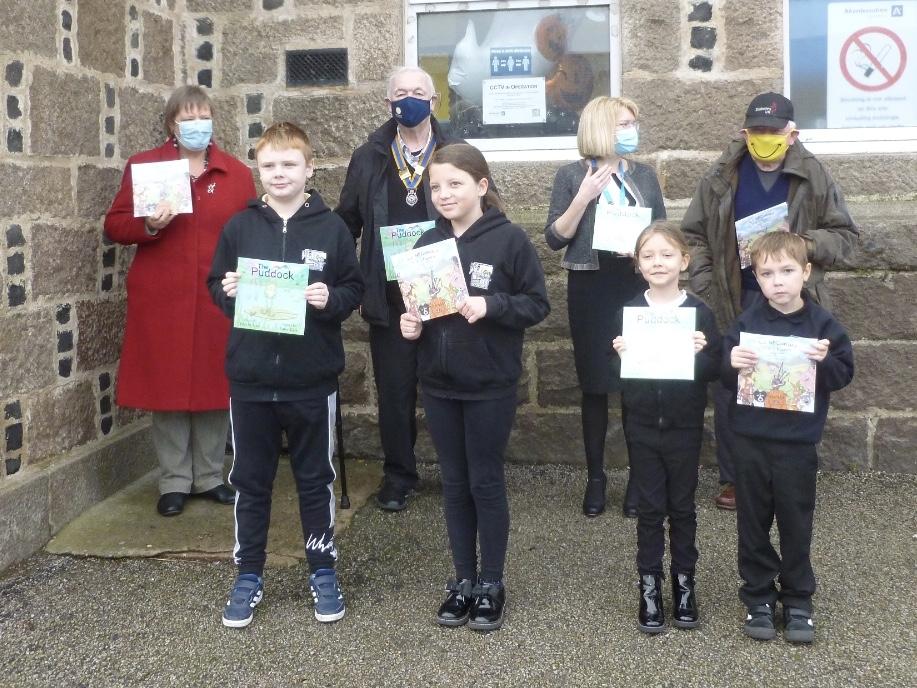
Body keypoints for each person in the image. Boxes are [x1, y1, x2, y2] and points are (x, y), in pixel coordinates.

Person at [207, 123, 364, 628]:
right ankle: (248, 574)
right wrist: (227, 291)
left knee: (315, 479)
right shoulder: (239, 226)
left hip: (310, 379)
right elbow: (214, 283)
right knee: (251, 481)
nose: (279, 174)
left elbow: (352, 288)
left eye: (289, 164)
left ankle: (322, 569)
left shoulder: (331, 228)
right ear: (259, 170)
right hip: (250, 378)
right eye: (269, 165)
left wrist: (329, 301)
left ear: (309, 169)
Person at [681, 92, 858, 511]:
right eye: (757, 131)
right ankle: (735, 479)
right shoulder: (721, 174)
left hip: (795, 299)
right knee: (733, 385)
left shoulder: (813, 174)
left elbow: (847, 238)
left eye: (774, 132)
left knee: (793, 378)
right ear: (745, 132)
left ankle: (789, 474)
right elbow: (693, 234)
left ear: (791, 134)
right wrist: (707, 285)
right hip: (736, 293)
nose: (765, 140)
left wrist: (803, 243)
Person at [400, 144, 549, 631]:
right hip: (439, 384)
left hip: (489, 384)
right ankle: (462, 579)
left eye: (455, 184)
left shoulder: (510, 241)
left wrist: (493, 306)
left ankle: (491, 582)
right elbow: (419, 308)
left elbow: (536, 304)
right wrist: (411, 326)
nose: (443, 194)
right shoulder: (425, 241)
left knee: (485, 481)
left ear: (482, 186)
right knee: (454, 482)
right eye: (436, 186)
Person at [104, 85, 256, 517]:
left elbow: (250, 229)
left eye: (203, 116)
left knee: (214, 384)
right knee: (167, 387)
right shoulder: (145, 167)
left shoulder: (236, 173)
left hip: (217, 294)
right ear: (172, 123)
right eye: (188, 118)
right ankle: (172, 480)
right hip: (162, 295)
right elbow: (114, 225)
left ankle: (208, 475)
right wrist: (147, 225)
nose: (197, 125)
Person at [336, 66, 464, 512]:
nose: (408, 99)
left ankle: (459, 473)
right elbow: (346, 222)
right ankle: (398, 475)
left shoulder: (457, 152)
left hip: (445, 291)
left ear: (434, 102)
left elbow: (481, 214)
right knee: (394, 392)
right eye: (399, 92)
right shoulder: (369, 155)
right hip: (390, 297)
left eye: (418, 92)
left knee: (453, 386)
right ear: (387, 102)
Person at [723, 232, 853, 643]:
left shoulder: (823, 325)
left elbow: (843, 374)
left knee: (796, 521)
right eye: (766, 273)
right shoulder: (746, 323)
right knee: (753, 521)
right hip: (750, 440)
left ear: (806, 273)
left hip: (797, 443)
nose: (777, 281)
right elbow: (725, 376)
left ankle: (798, 598)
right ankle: (758, 595)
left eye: (786, 271)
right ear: (757, 279)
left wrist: (825, 361)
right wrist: (731, 361)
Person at [544, 96, 666, 518]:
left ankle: (638, 478)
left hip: (634, 283)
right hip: (591, 285)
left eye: (634, 122)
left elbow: (661, 233)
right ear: (600, 128)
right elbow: (555, 237)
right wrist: (583, 198)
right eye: (624, 124)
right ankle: (596, 478)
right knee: (595, 385)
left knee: (635, 382)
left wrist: (652, 258)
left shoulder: (645, 176)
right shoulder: (570, 175)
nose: (632, 130)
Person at [611, 222, 721, 634]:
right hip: (640, 425)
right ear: (638, 264)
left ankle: (685, 582)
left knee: (683, 508)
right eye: (648, 255)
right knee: (649, 509)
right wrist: (619, 355)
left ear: (684, 261)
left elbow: (716, 371)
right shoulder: (628, 311)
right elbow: (612, 372)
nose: (658, 262)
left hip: (684, 426)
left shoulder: (699, 312)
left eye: (666, 254)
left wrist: (703, 352)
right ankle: (650, 584)